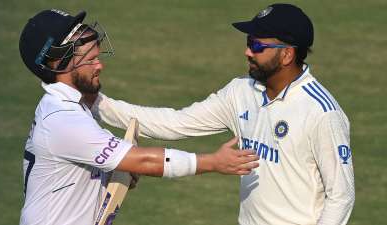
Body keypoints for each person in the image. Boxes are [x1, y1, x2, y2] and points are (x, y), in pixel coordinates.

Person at [90, 3, 355, 225]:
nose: (247, 51)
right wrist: (97, 103)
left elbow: (341, 196)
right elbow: (175, 123)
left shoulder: (321, 113)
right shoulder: (241, 92)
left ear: (287, 54)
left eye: (257, 46)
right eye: (248, 42)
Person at [18, 9, 260, 225]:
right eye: (90, 60)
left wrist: (111, 176)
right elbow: (144, 161)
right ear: (58, 63)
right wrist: (213, 162)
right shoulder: (62, 119)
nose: (99, 66)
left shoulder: (71, 105)